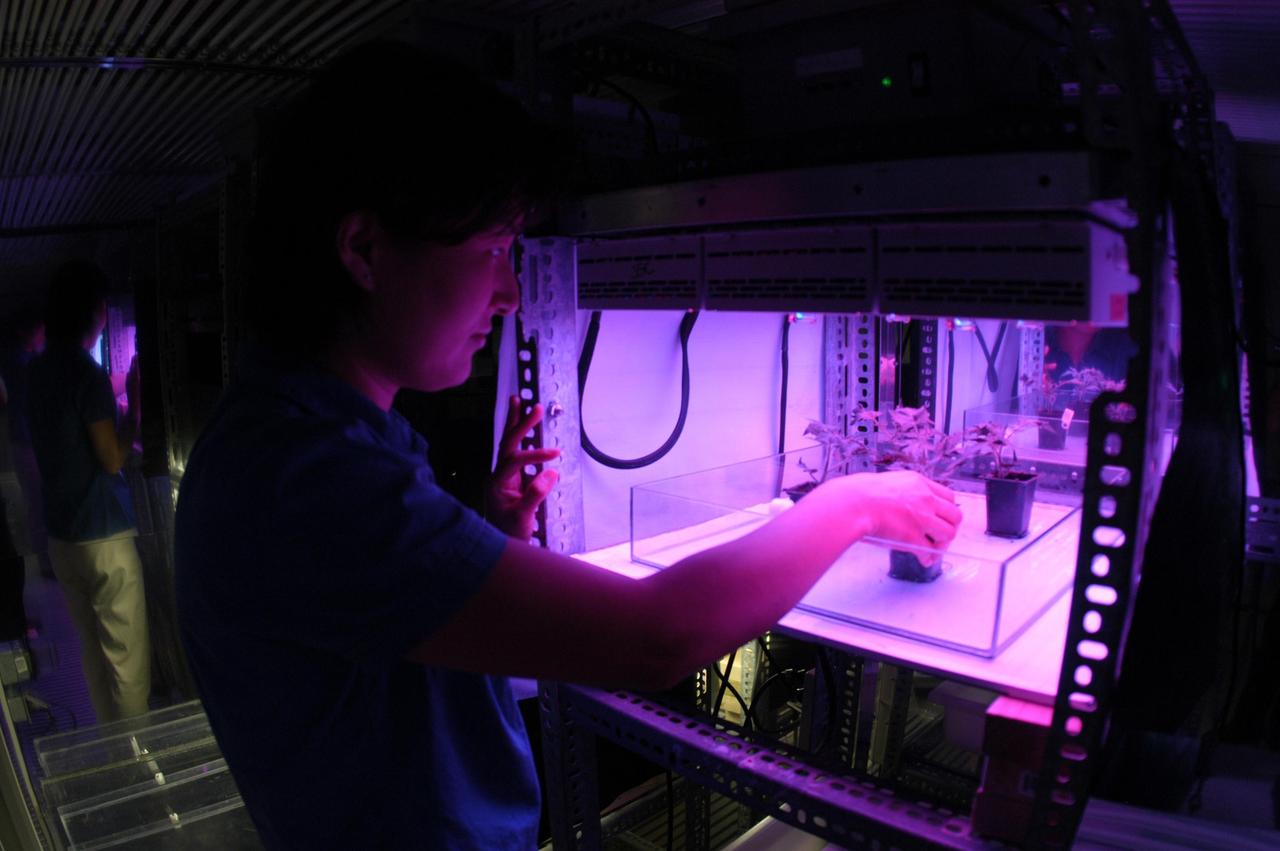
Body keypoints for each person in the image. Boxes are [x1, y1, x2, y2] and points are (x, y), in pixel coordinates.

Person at [174, 42, 961, 850]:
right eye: (492, 250)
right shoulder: (306, 475)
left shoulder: (322, 435)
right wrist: (858, 499)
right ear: (365, 250)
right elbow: (660, 635)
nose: (511, 290)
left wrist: (489, 526)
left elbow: (391, 652)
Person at [29, 260, 151, 721]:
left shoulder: (39, 371)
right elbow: (113, 458)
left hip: (62, 538)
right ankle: (139, 771)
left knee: (93, 657)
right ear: (95, 312)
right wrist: (134, 403)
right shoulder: (86, 374)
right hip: (103, 539)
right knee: (128, 665)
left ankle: (114, 751)